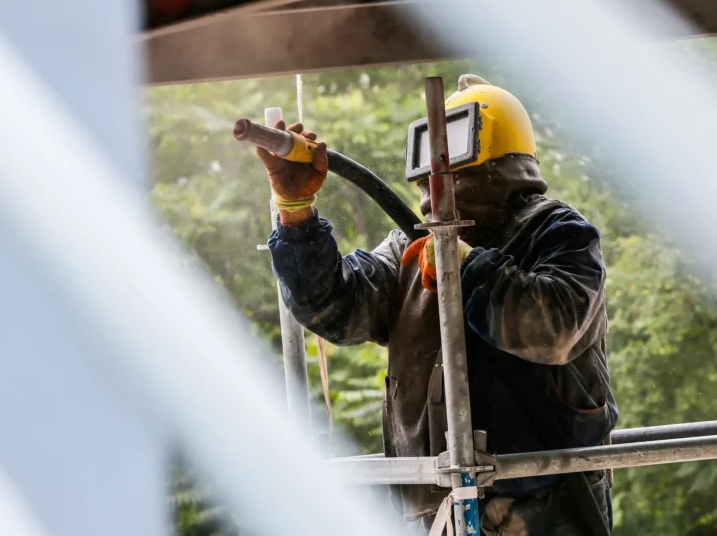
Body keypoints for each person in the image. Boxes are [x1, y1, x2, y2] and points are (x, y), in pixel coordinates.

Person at [258, 74, 617, 535]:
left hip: (551, 506)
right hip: (437, 510)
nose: (435, 170)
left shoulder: (557, 232)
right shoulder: (408, 249)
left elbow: (553, 329)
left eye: (449, 150)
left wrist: (462, 266)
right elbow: (335, 309)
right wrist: (296, 211)